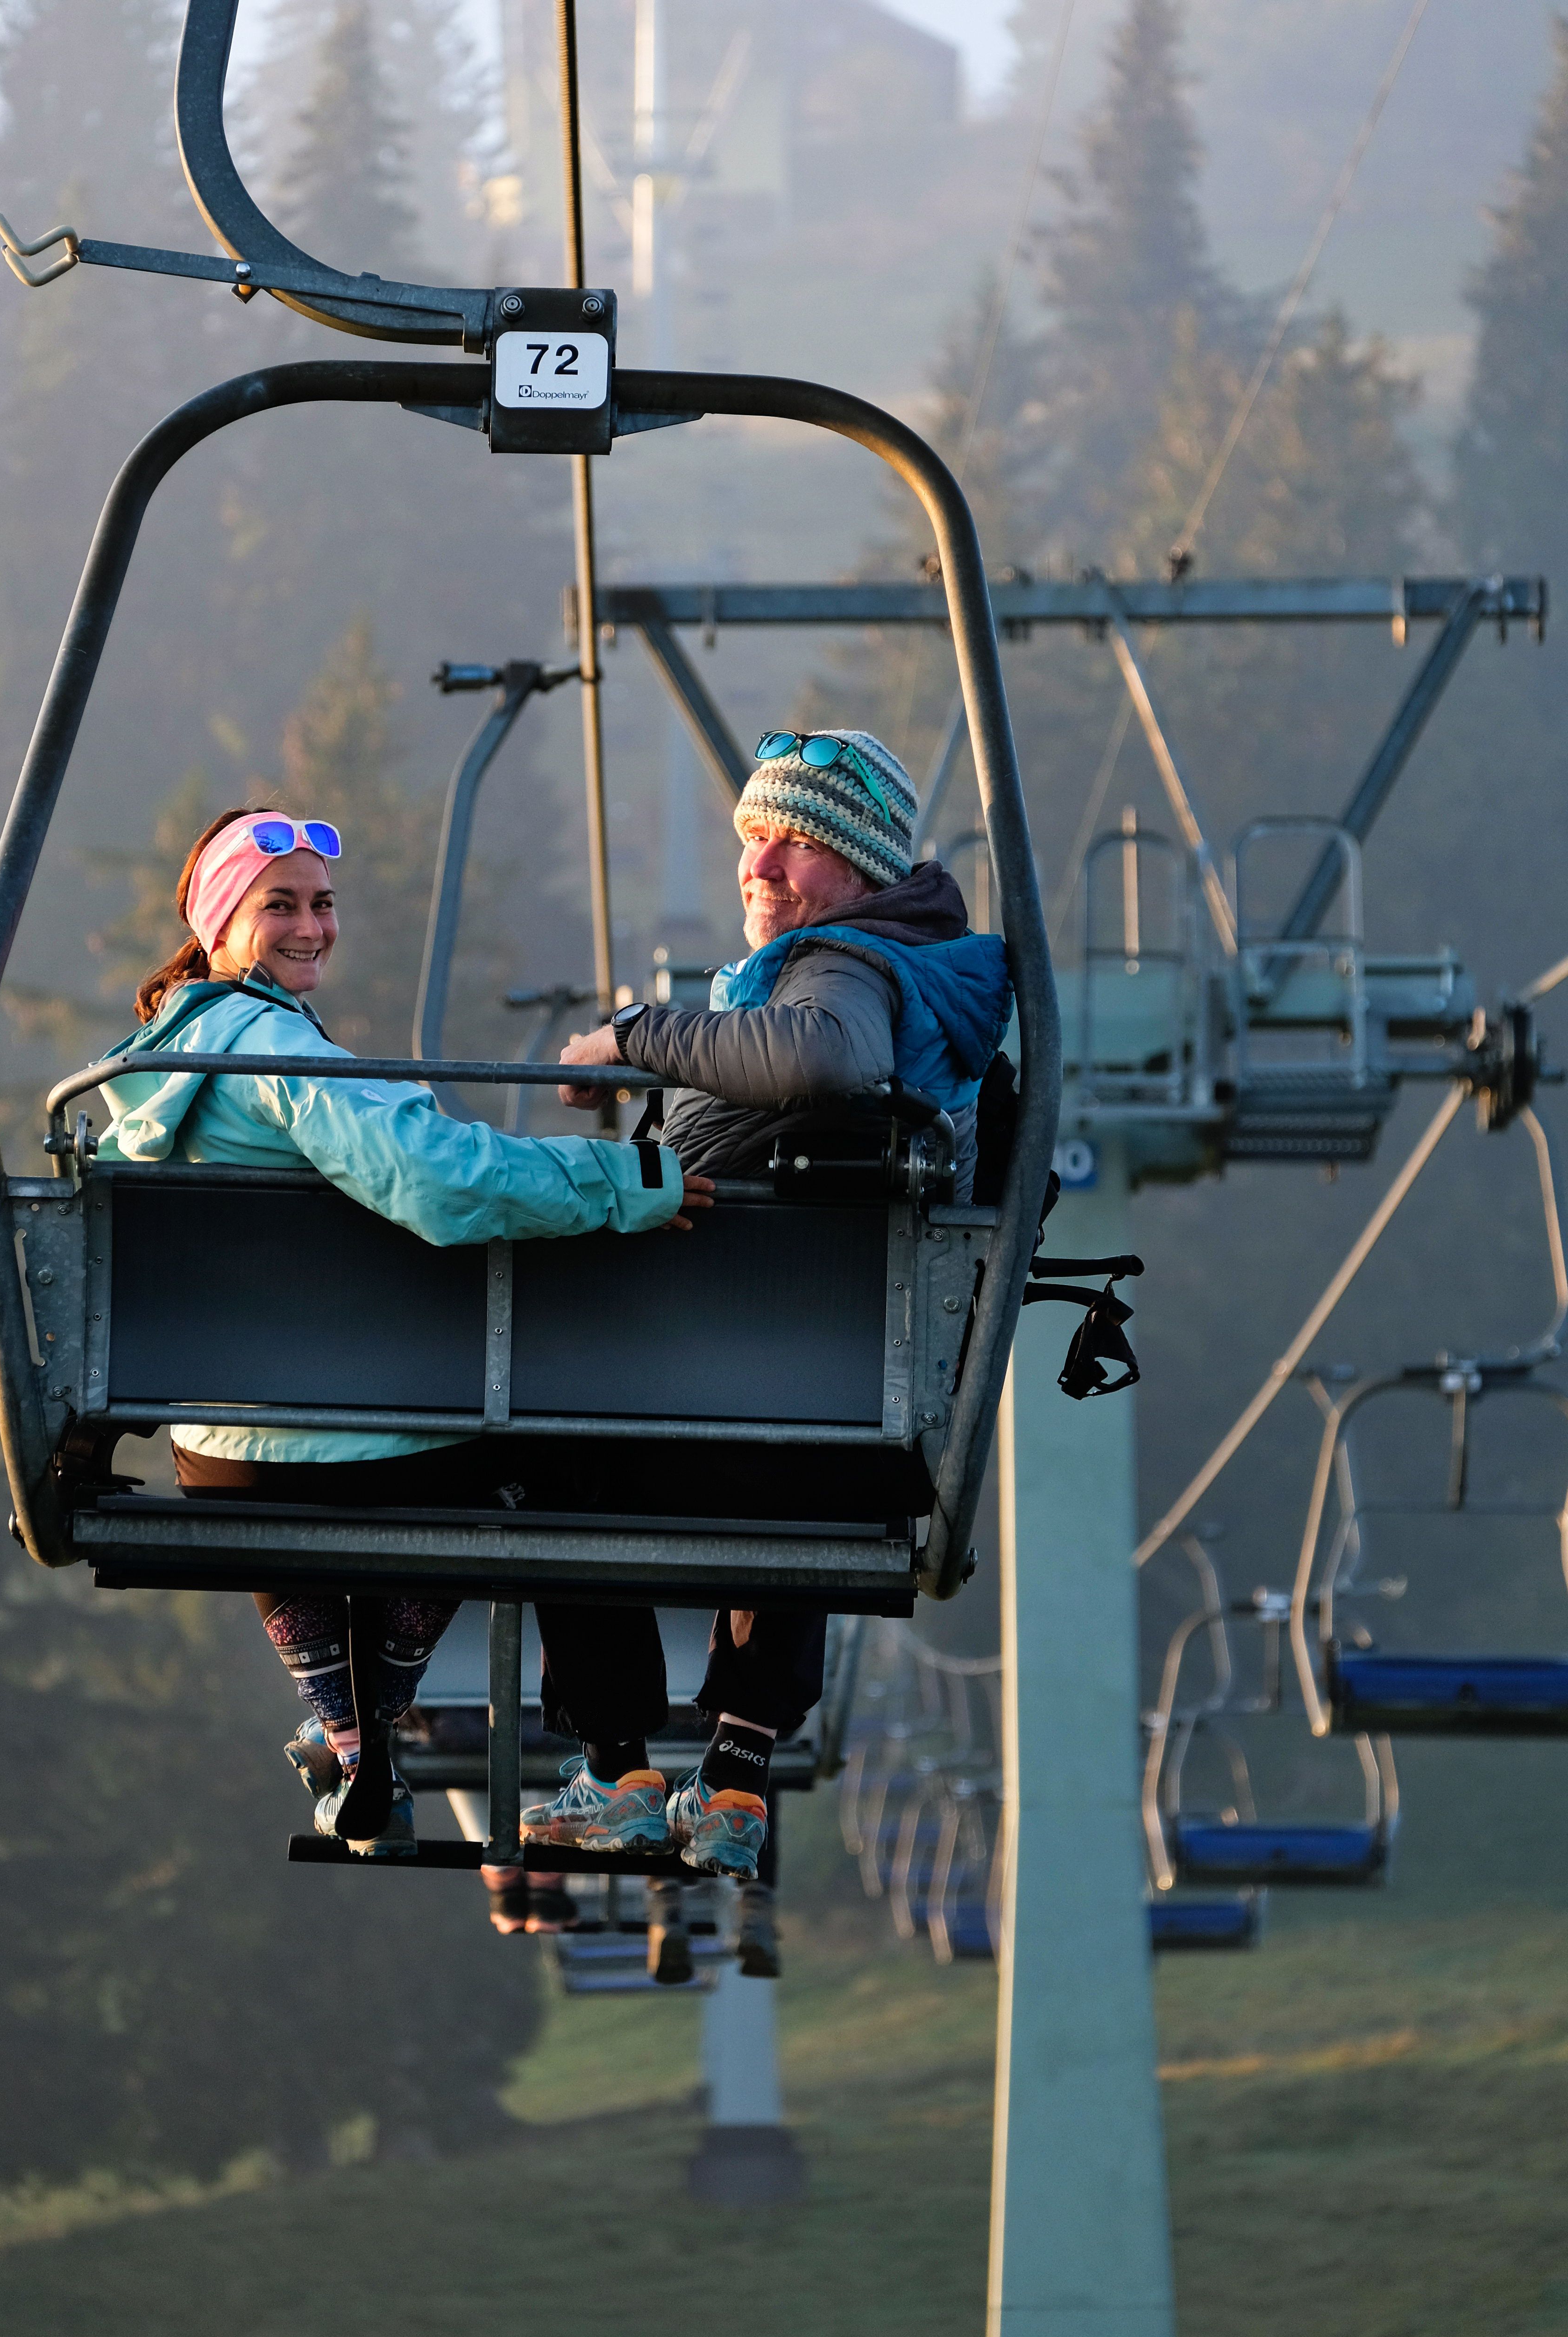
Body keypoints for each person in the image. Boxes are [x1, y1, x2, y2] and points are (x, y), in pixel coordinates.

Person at [93, 805, 710, 1859]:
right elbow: (435, 1179)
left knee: (401, 1437)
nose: (311, 927)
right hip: (365, 1441)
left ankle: (352, 1732)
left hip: (219, 1453)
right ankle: (616, 1762)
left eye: (323, 906)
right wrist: (623, 1180)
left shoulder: (142, 1075)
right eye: (279, 904)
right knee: (558, 1451)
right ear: (218, 924)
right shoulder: (271, 1045)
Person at [519, 726, 1012, 1886]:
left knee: (532, 1445)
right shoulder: (912, 981)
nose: (762, 863)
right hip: (842, 1429)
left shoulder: (843, 969)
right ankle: (734, 1772)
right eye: (751, 837)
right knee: (800, 1417)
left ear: (863, 868)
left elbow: (826, 1062)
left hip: (701, 1396)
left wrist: (635, 1037)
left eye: (794, 842)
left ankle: (617, 1763)